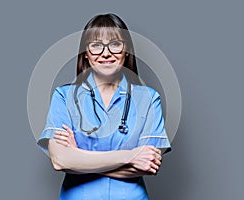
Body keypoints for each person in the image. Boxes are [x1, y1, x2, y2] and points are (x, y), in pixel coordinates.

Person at [38, 13, 171, 200]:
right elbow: (60, 160)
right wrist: (130, 156)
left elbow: (149, 164)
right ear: (86, 53)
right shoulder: (64, 97)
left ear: (127, 51)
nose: (106, 52)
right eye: (96, 45)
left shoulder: (148, 99)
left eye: (115, 44)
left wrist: (78, 157)